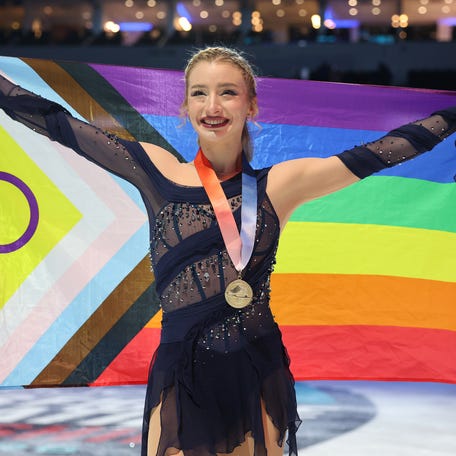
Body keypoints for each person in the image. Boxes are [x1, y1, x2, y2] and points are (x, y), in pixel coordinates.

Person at [0, 46, 455, 456]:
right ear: (185, 106)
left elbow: (380, 153)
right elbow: (57, 124)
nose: (212, 106)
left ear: (251, 105)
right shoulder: (153, 169)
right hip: (180, 373)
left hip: (256, 367)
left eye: (228, 93)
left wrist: (449, 118)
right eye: (199, 93)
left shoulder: (279, 185)